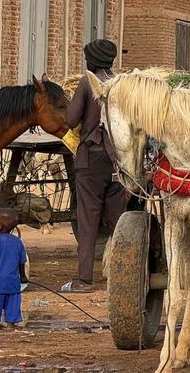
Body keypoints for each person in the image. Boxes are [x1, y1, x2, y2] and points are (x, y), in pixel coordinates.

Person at [62, 39, 127, 293]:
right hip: (119, 160)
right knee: (119, 220)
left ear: (93, 61)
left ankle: (85, 279)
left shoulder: (88, 82)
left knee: (88, 219)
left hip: (92, 157)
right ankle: (124, 275)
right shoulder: (122, 83)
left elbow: (70, 119)